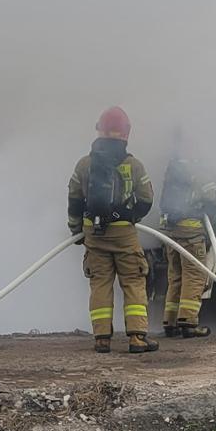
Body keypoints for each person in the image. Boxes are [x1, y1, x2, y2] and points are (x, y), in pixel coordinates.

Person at [67, 106, 156, 354]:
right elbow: (146, 199)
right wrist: (130, 217)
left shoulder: (84, 165)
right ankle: (137, 338)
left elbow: (74, 199)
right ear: (126, 134)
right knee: (133, 282)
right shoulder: (133, 165)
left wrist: (76, 229)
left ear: (99, 131)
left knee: (100, 284)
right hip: (124, 235)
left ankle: (102, 339)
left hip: (93, 234)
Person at [159, 138, 216, 338]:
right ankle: (188, 322)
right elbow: (212, 203)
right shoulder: (199, 172)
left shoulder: (172, 171)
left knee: (175, 277)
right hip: (191, 234)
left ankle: (170, 321)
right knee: (194, 276)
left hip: (170, 233)